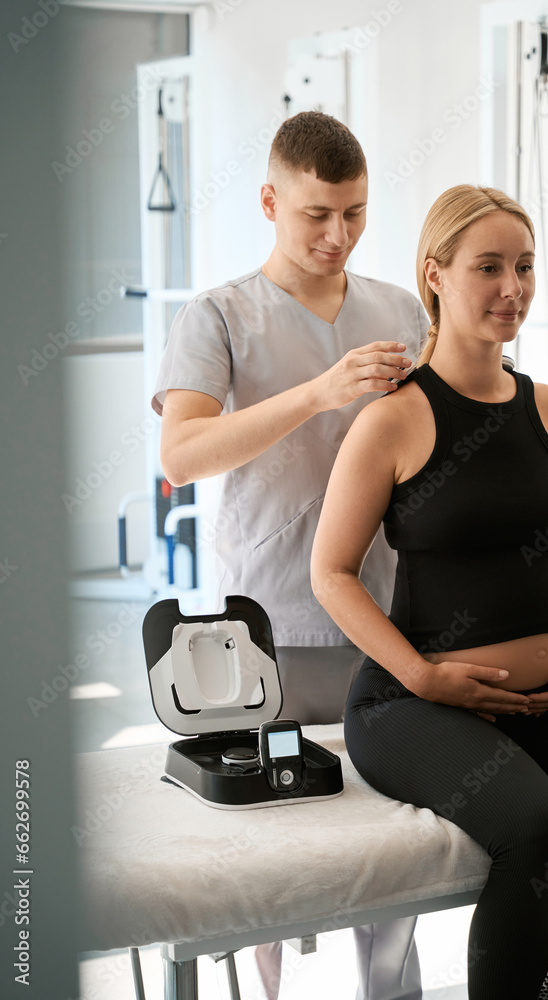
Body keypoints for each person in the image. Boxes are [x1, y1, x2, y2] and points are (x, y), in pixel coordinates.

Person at [311, 183, 548, 1000]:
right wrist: (423, 676)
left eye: (524, 266)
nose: (512, 287)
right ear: (434, 275)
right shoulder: (392, 419)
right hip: (410, 705)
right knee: (538, 834)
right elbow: (329, 574)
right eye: (488, 267)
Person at [153, 111, 428, 1000]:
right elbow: (182, 454)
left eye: (353, 212)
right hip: (268, 625)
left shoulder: (401, 310)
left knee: (394, 852)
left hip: (386, 618)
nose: (337, 234)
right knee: (270, 856)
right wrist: (318, 392)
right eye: (316, 214)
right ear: (271, 202)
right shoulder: (219, 314)